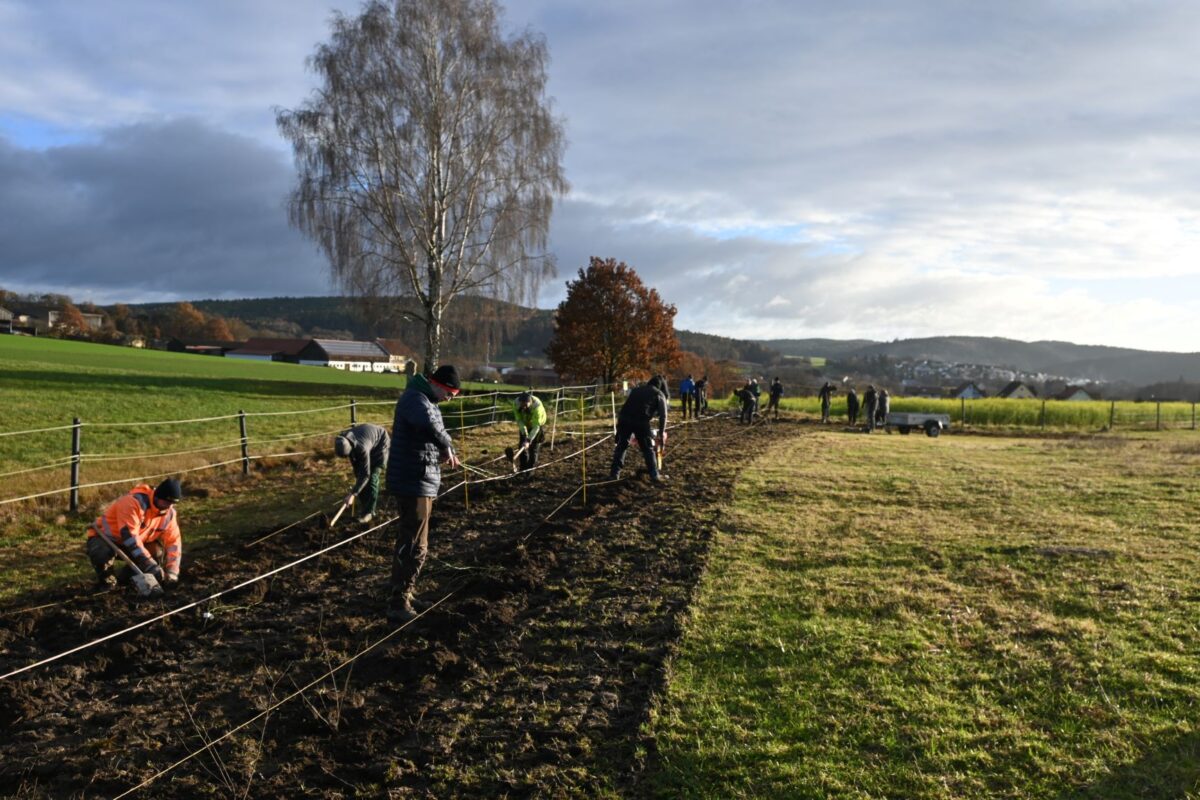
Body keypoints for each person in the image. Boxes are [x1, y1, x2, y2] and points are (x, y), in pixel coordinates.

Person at [385, 364, 462, 623]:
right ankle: (398, 601)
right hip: (412, 480)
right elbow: (426, 425)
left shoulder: (428, 401)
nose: (448, 399)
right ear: (438, 385)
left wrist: (440, 450)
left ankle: (406, 591)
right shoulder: (414, 399)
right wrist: (447, 445)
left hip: (422, 479)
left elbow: (427, 432)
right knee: (414, 543)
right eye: (449, 394)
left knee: (418, 541)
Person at [85, 478, 183, 593]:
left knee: (156, 551)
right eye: (166, 502)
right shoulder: (133, 503)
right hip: (107, 539)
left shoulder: (169, 515)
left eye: (172, 503)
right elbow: (130, 538)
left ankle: (127, 579)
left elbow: (174, 544)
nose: (168, 506)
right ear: (157, 496)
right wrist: (150, 565)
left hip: (135, 543)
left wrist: (172, 572)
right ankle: (108, 582)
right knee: (101, 552)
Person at [609, 375, 669, 483]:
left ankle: (614, 474)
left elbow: (627, 406)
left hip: (624, 418)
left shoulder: (636, 390)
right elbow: (663, 416)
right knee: (647, 448)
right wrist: (661, 432)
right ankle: (654, 475)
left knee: (621, 446)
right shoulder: (659, 394)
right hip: (640, 421)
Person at [333, 423, 390, 523]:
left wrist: (353, 494)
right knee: (360, 477)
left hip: (380, 444)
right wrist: (356, 489)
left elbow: (366, 474)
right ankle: (365, 507)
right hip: (367, 441)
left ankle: (369, 513)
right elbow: (357, 469)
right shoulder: (342, 440)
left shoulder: (362, 447)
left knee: (372, 478)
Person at [512, 391, 547, 471]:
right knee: (522, 445)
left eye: (525, 405)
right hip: (525, 423)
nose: (523, 407)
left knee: (533, 448)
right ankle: (523, 469)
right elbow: (519, 420)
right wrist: (524, 435)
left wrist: (528, 440)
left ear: (530, 402)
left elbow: (536, 426)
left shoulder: (537, 407)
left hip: (537, 425)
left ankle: (530, 471)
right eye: (522, 405)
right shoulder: (516, 404)